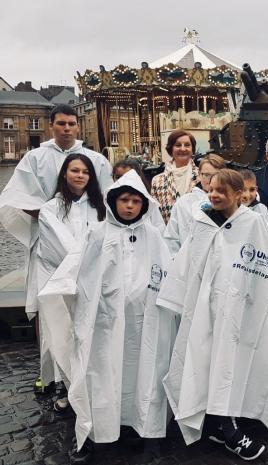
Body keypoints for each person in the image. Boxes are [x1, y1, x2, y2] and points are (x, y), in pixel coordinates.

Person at [158, 169, 268, 461]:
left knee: (230, 366)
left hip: (239, 312)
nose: (215, 195)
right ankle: (216, 422)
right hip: (204, 312)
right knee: (205, 363)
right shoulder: (202, 224)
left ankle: (228, 425)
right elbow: (188, 264)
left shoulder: (254, 224)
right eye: (211, 190)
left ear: (239, 195)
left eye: (222, 191)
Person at [39, 170, 175, 464]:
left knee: (145, 374)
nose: (129, 206)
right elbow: (75, 269)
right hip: (105, 324)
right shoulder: (97, 233)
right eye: (124, 199)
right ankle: (102, 434)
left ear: (144, 204)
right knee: (103, 376)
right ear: (114, 201)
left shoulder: (153, 235)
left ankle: (148, 432)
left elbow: (168, 275)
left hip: (144, 324)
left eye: (136, 201)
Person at [0, 104, 112, 393]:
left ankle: (88, 368)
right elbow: (15, 195)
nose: (66, 128)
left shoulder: (95, 159)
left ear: (78, 126)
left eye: (71, 123)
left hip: (86, 243)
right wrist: (51, 218)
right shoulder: (35, 158)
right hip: (48, 244)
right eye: (61, 123)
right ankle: (50, 372)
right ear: (51, 125)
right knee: (48, 307)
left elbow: (108, 198)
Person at [36, 153, 107, 413]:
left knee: (91, 334)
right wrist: (83, 261)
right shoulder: (50, 209)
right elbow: (60, 244)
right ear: (64, 174)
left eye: (85, 172)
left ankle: (91, 386)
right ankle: (66, 386)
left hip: (93, 280)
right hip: (61, 279)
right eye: (74, 170)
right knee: (64, 335)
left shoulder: (99, 207)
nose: (80, 176)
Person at [163, 154, 225, 255]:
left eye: (216, 175)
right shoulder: (184, 203)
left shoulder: (230, 204)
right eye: (207, 175)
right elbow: (172, 239)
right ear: (199, 175)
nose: (211, 180)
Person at [150, 129, 199, 223]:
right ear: (170, 149)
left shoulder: (202, 177)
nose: (183, 149)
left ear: (192, 149)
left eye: (187, 145)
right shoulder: (157, 181)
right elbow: (155, 217)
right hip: (168, 235)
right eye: (178, 145)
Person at [112, 158, 165, 231]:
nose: (122, 180)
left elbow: (159, 228)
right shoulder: (108, 201)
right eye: (118, 177)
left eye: (128, 176)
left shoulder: (148, 202)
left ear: (138, 177)